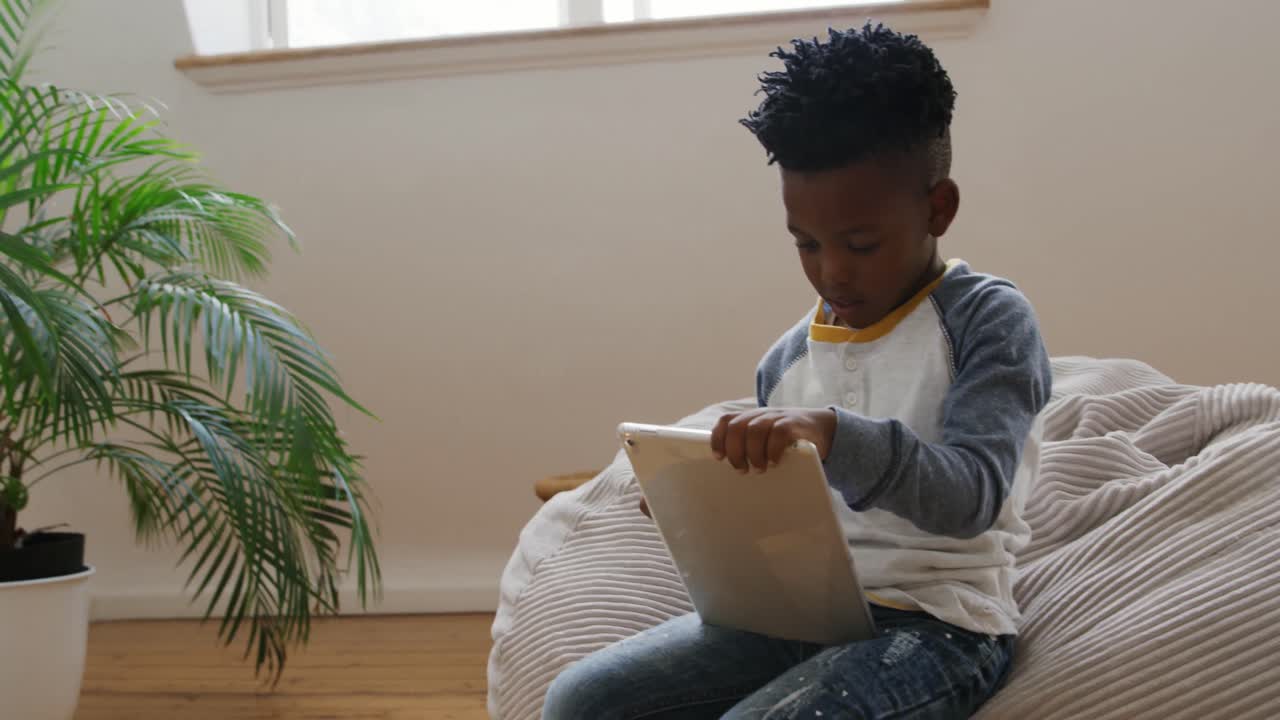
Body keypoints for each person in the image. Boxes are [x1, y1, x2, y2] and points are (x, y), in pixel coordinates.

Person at [543, 22, 1052, 720]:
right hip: (795, 618)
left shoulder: (987, 320)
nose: (832, 270)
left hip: (937, 627)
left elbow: (974, 497)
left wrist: (837, 437)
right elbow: (788, 535)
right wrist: (705, 513)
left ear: (939, 208)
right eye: (806, 244)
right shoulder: (784, 361)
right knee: (580, 700)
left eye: (861, 243)